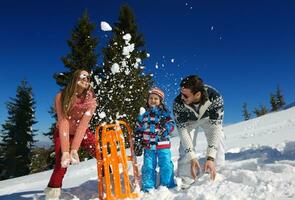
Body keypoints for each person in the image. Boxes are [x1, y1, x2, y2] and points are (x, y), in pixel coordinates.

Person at [44, 70, 97, 199]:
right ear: (75, 79)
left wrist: (74, 149)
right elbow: (63, 121)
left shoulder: (91, 100)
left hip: (81, 132)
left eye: (88, 78)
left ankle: (108, 177)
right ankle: (53, 193)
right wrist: (67, 151)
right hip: (63, 132)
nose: (85, 80)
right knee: (62, 162)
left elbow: (83, 125)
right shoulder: (61, 96)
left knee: (99, 151)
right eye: (82, 77)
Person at [173, 75, 225, 186]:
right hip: (190, 122)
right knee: (185, 145)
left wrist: (210, 157)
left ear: (197, 94)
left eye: (185, 95)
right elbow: (183, 132)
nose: (181, 97)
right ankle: (185, 177)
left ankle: (214, 170)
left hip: (208, 119)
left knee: (219, 137)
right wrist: (192, 156)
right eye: (181, 93)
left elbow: (216, 129)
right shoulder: (178, 103)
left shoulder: (215, 97)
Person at [134, 87, 176, 192]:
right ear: (147, 101)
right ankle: (148, 187)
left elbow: (171, 125)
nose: (153, 100)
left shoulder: (164, 114)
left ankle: (167, 185)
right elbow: (138, 129)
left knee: (166, 164)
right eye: (151, 98)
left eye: (156, 98)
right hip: (148, 146)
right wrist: (138, 141)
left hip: (163, 145)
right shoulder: (143, 116)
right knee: (148, 166)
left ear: (160, 101)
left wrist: (165, 127)